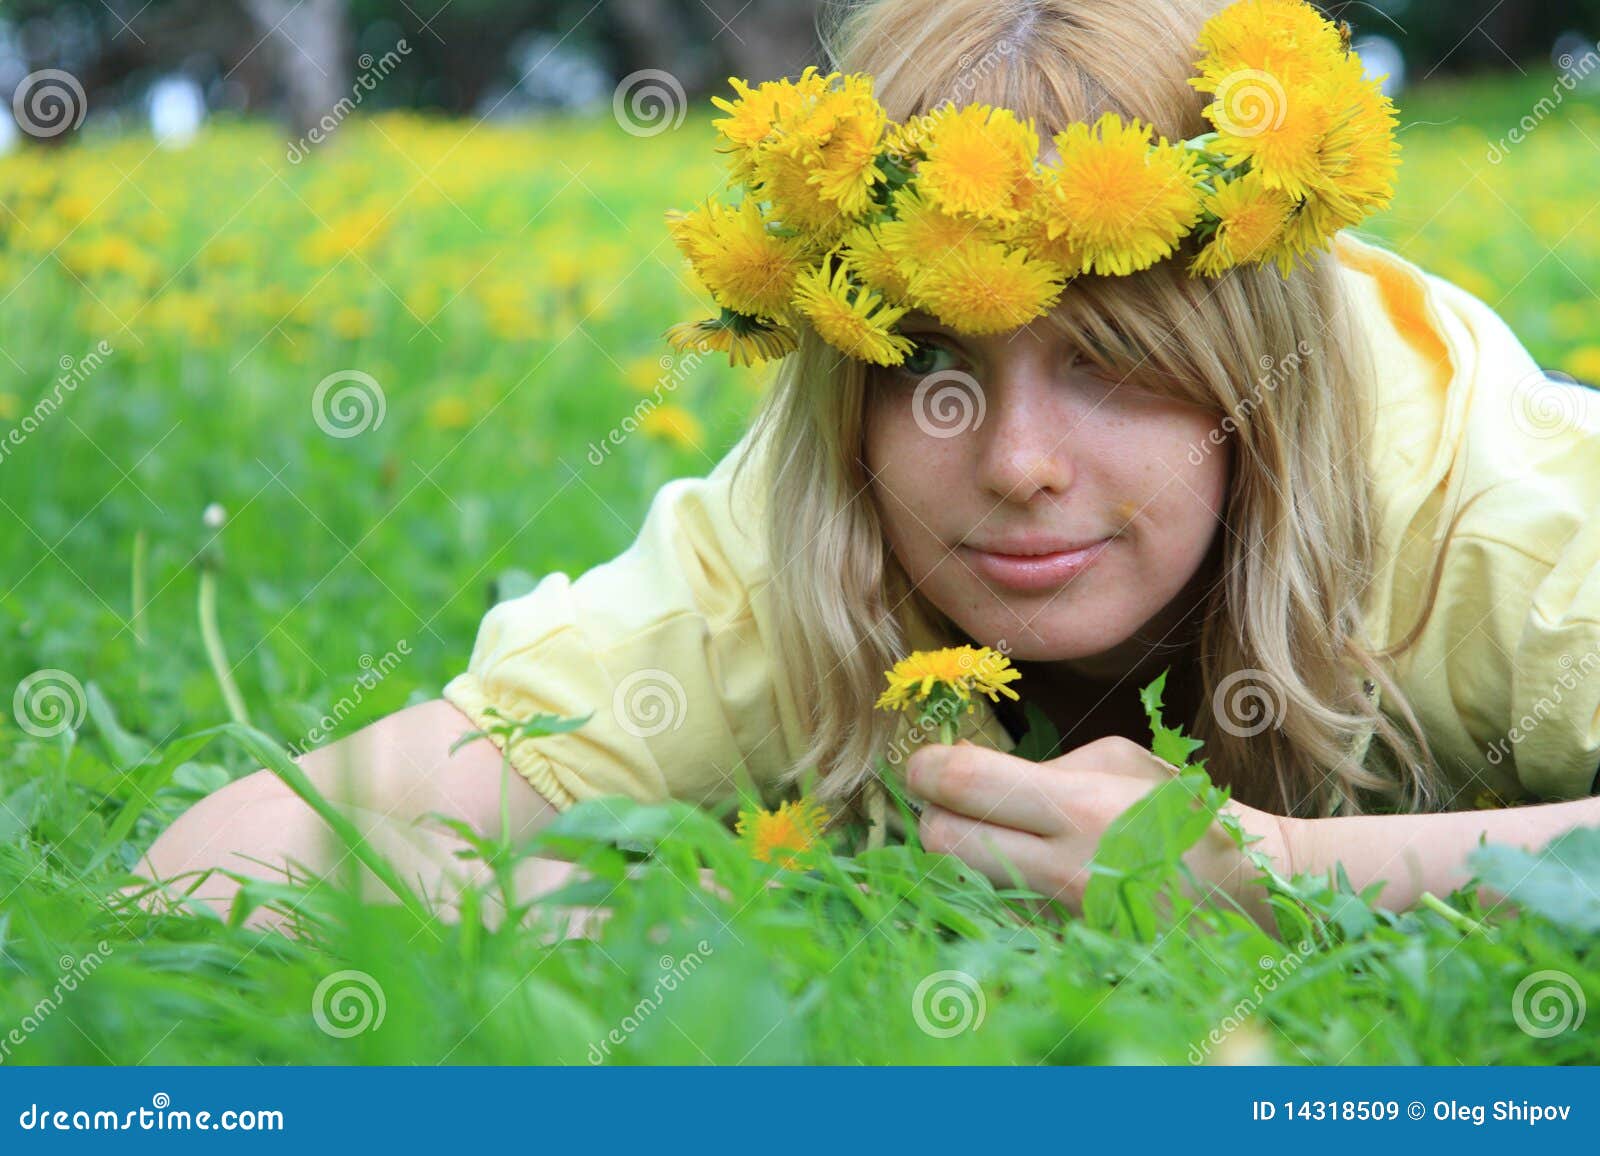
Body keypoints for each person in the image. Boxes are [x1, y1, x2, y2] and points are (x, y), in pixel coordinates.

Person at [139, 0, 1600, 934]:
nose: (1017, 463)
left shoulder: (1486, 514)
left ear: (1250, 378)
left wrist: (1262, 872)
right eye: (926, 367)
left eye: (1108, 361)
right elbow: (217, 859)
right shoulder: (786, 560)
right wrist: (668, 913)